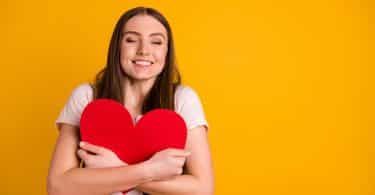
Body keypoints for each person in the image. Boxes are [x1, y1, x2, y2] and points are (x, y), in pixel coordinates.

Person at [47, 7, 214, 195]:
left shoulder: (183, 99)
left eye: (156, 42)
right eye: (131, 40)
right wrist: (150, 170)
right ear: (117, 47)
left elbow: (202, 189)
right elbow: (58, 187)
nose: (144, 50)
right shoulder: (86, 97)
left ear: (167, 52)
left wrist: (114, 168)